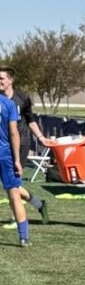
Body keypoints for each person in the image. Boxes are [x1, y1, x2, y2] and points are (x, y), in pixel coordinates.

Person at [0, 67, 49, 224]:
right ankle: (39, 204)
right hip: (3, 145)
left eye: (1, 78)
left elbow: (31, 120)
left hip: (21, 144)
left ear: (10, 80)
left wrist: (40, 137)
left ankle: (17, 219)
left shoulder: (22, 98)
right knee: (12, 185)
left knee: (13, 184)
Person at [0, 88, 30, 246]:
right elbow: (14, 133)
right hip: (5, 155)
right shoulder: (9, 104)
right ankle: (23, 237)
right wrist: (17, 159)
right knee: (14, 195)